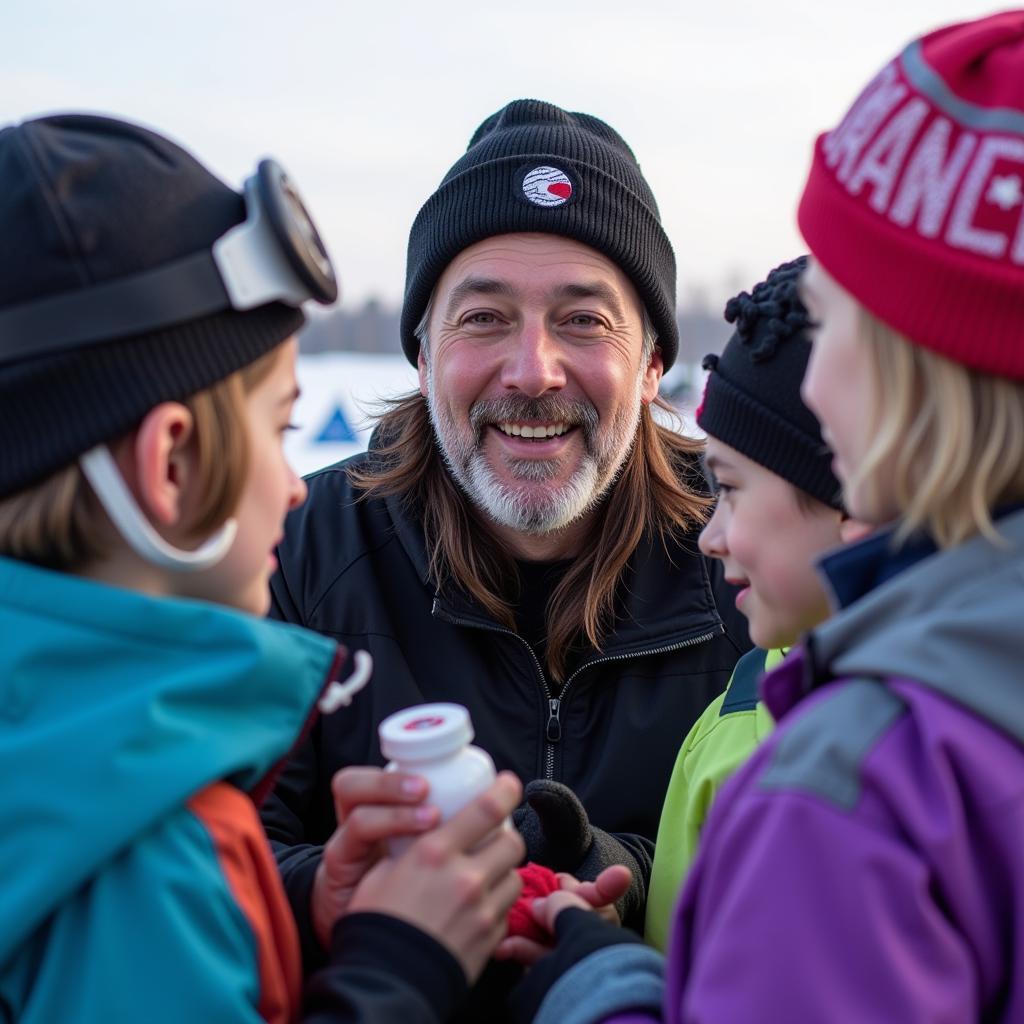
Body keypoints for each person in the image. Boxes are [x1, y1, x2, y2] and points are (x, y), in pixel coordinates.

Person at [507, 11, 1024, 1023]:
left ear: (905, 378)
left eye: (826, 322)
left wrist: (593, 987)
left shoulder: (857, 789)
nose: (812, 384)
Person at [0, 113, 525, 1024]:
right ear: (171, 466)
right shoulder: (136, 857)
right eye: (277, 430)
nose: (293, 488)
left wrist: (297, 917)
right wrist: (398, 971)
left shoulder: (55, 755)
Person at [262, 97, 750, 957]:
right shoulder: (300, 548)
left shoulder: (751, 550)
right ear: (421, 356)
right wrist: (344, 887)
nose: (532, 372)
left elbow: (810, 842)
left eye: (584, 320)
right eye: (484, 317)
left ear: (652, 365)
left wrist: (620, 878)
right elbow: (214, 851)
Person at [644, 256, 866, 951]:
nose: (708, 539)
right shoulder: (729, 720)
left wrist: (586, 981)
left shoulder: (887, 766)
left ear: (850, 501)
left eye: (732, 490)